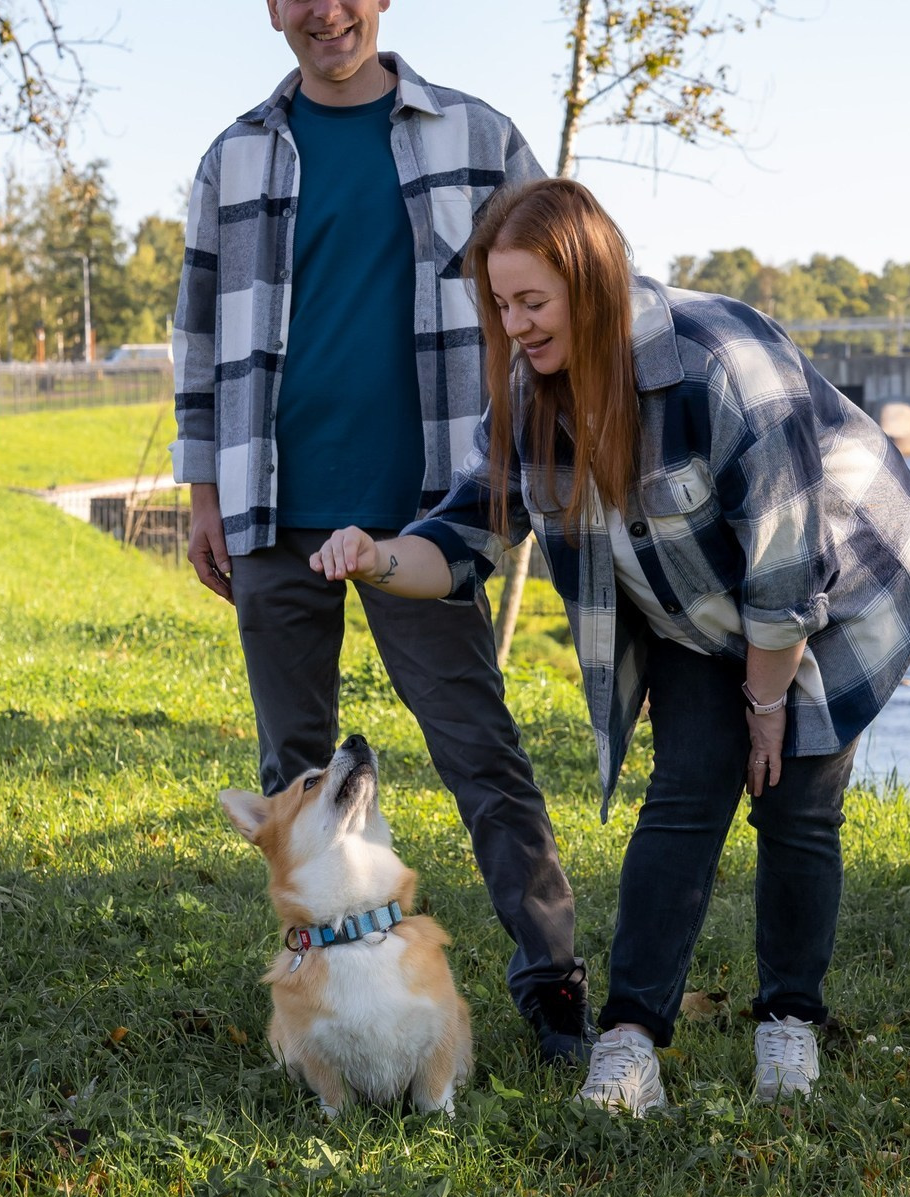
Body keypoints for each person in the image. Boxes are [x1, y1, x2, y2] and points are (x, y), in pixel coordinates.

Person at [311, 178, 910, 1115]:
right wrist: (376, 556)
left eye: (534, 301)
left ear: (594, 283)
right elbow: (464, 539)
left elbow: (784, 565)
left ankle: (790, 1022)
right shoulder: (530, 400)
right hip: (699, 610)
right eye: (501, 304)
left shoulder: (723, 362)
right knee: (689, 787)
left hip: (837, 585)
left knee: (796, 801)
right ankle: (630, 1039)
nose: (516, 325)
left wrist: (768, 704)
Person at [170, 1, 594, 1064]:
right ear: (271, 10)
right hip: (270, 504)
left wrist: (549, 457)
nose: (326, 11)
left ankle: (552, 988)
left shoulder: (477, 136)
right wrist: (204, 491)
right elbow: (199, 330)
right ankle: (322, 1007)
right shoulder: (233, 158)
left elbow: (562, 298)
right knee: (293, 771)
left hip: (429, 511)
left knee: (480, 753)